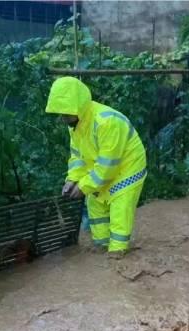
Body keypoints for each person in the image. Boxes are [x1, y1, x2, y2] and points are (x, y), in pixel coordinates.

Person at [45, 77, 147, 256]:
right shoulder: (74, 124)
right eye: (61, 114)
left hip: (128, 168)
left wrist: (83, 186)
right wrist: (72, 179)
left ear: (78, 107)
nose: (63, 118)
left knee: (119, 210)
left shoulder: (106, 122)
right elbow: (77, 157)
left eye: (66, 114)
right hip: (102, 169)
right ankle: (101, 248)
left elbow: (108, 166)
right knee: (94, 204)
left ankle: (117, 252)